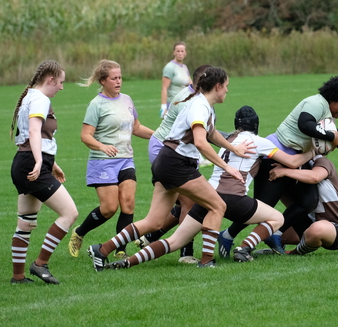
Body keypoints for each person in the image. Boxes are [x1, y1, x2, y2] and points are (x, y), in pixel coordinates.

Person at [104, 105, 320, 270]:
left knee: (174, 241)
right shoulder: (259, 141)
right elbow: (292, 162)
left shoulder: (228, 139)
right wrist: (314, 151)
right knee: (277, 218)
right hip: (233, 198)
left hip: (207, 195)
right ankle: (244, 248)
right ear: (256, 125)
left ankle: (127, 262)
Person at [87, 67, 255, 270]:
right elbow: (201, 142)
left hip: (166, 161)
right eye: (226, 86)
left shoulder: (203, 105)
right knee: (218, 205)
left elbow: (211, 134)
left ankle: (102, 249)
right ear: (217, 86)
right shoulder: (200, 106)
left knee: (154, 222)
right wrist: (227, 167)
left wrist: (233, 148)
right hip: (177, 164)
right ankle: (206, 261)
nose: (227, 90)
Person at [220, 75, 338, 256]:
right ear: (333, 98)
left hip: (296, 158)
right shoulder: (316, 103)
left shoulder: (327, 112)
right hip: (276, 155)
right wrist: (330, 137)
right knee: (264, 204)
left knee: (308, 202)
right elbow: (304, 124)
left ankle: (276, 233)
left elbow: (335, 134)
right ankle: (227, 235)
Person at [68, 60, 153, 259]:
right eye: (114, 78)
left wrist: (158, 136)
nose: (118, 81)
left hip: (126, 159)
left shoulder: (127, 100)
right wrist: (103, 146)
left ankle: (120, 250)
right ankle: (79, 232)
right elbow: (85, 136)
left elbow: (136, 128)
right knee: (109, 209)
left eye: (120, 77)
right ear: (102, 81)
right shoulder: (96, 104)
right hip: (102, 161)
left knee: (128, 204)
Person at [10, 60, 78, 285]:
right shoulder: (40, 99)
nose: (62, 87)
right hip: (32, 162)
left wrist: (51, 163)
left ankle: (18, 277)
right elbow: (33, 131)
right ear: (50, 80)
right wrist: (40, 161)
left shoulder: (30, 96)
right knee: (69, 213)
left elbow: (38, 137)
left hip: (25, 161)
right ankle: (40, 264)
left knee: (26, 222)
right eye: (60, 82)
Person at [142, 64, 211, 264]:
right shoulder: (189, 101)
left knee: (182, 203)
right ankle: (185, 253)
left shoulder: (197, 98)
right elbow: (200, 137)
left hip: (175, 151)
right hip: (165, 150)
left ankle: (150, 238)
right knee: (189, 202)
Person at [266, 141, 338, 256]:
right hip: (306, 225)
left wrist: (285, 171)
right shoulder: (297, 166)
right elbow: (291, 202)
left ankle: (294, 253)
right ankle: (268, 249)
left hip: (337, 229)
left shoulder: (322, 162)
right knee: (267, 228)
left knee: (317, 230)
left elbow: (315, 177)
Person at [160, 41, 191, 119]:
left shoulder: (184, 67)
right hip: (173, 104)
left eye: (182, 51)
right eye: (178, 51)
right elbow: (164, 89)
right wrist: (163, 108)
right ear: (174, 52)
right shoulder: (170, 67)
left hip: (183, 104)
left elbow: (190, 85)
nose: (180, 53)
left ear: (185, 53)